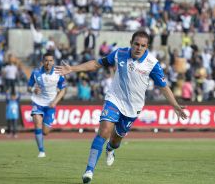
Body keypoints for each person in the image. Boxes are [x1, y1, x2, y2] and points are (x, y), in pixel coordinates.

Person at [55, 30, 187, 183]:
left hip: (133, 107)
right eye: (136, 44)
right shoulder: (119, 53)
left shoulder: (152, 63)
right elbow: (97, 64)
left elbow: (163, 87)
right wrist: (72, 68)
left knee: (116, 140)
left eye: (142, 45)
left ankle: (110, 149)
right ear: (131, 43)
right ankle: (89, 171)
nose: (139, 47)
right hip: (114, 99)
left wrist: (175, 105)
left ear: (147, 47)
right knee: (104, 130)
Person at [27, 52, 66, 158]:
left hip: (50, 105)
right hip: (37, 102)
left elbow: (63, 90)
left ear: (53, 62)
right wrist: (33, 89)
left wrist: (55, 101)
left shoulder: (58, 74)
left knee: (45, 132)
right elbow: (28, 87)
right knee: (37, 124)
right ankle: (41, 151)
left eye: (50, 60)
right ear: (42, 62)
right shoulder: (36, 73)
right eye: (46, 60)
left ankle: (43, 138)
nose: (48, 63)